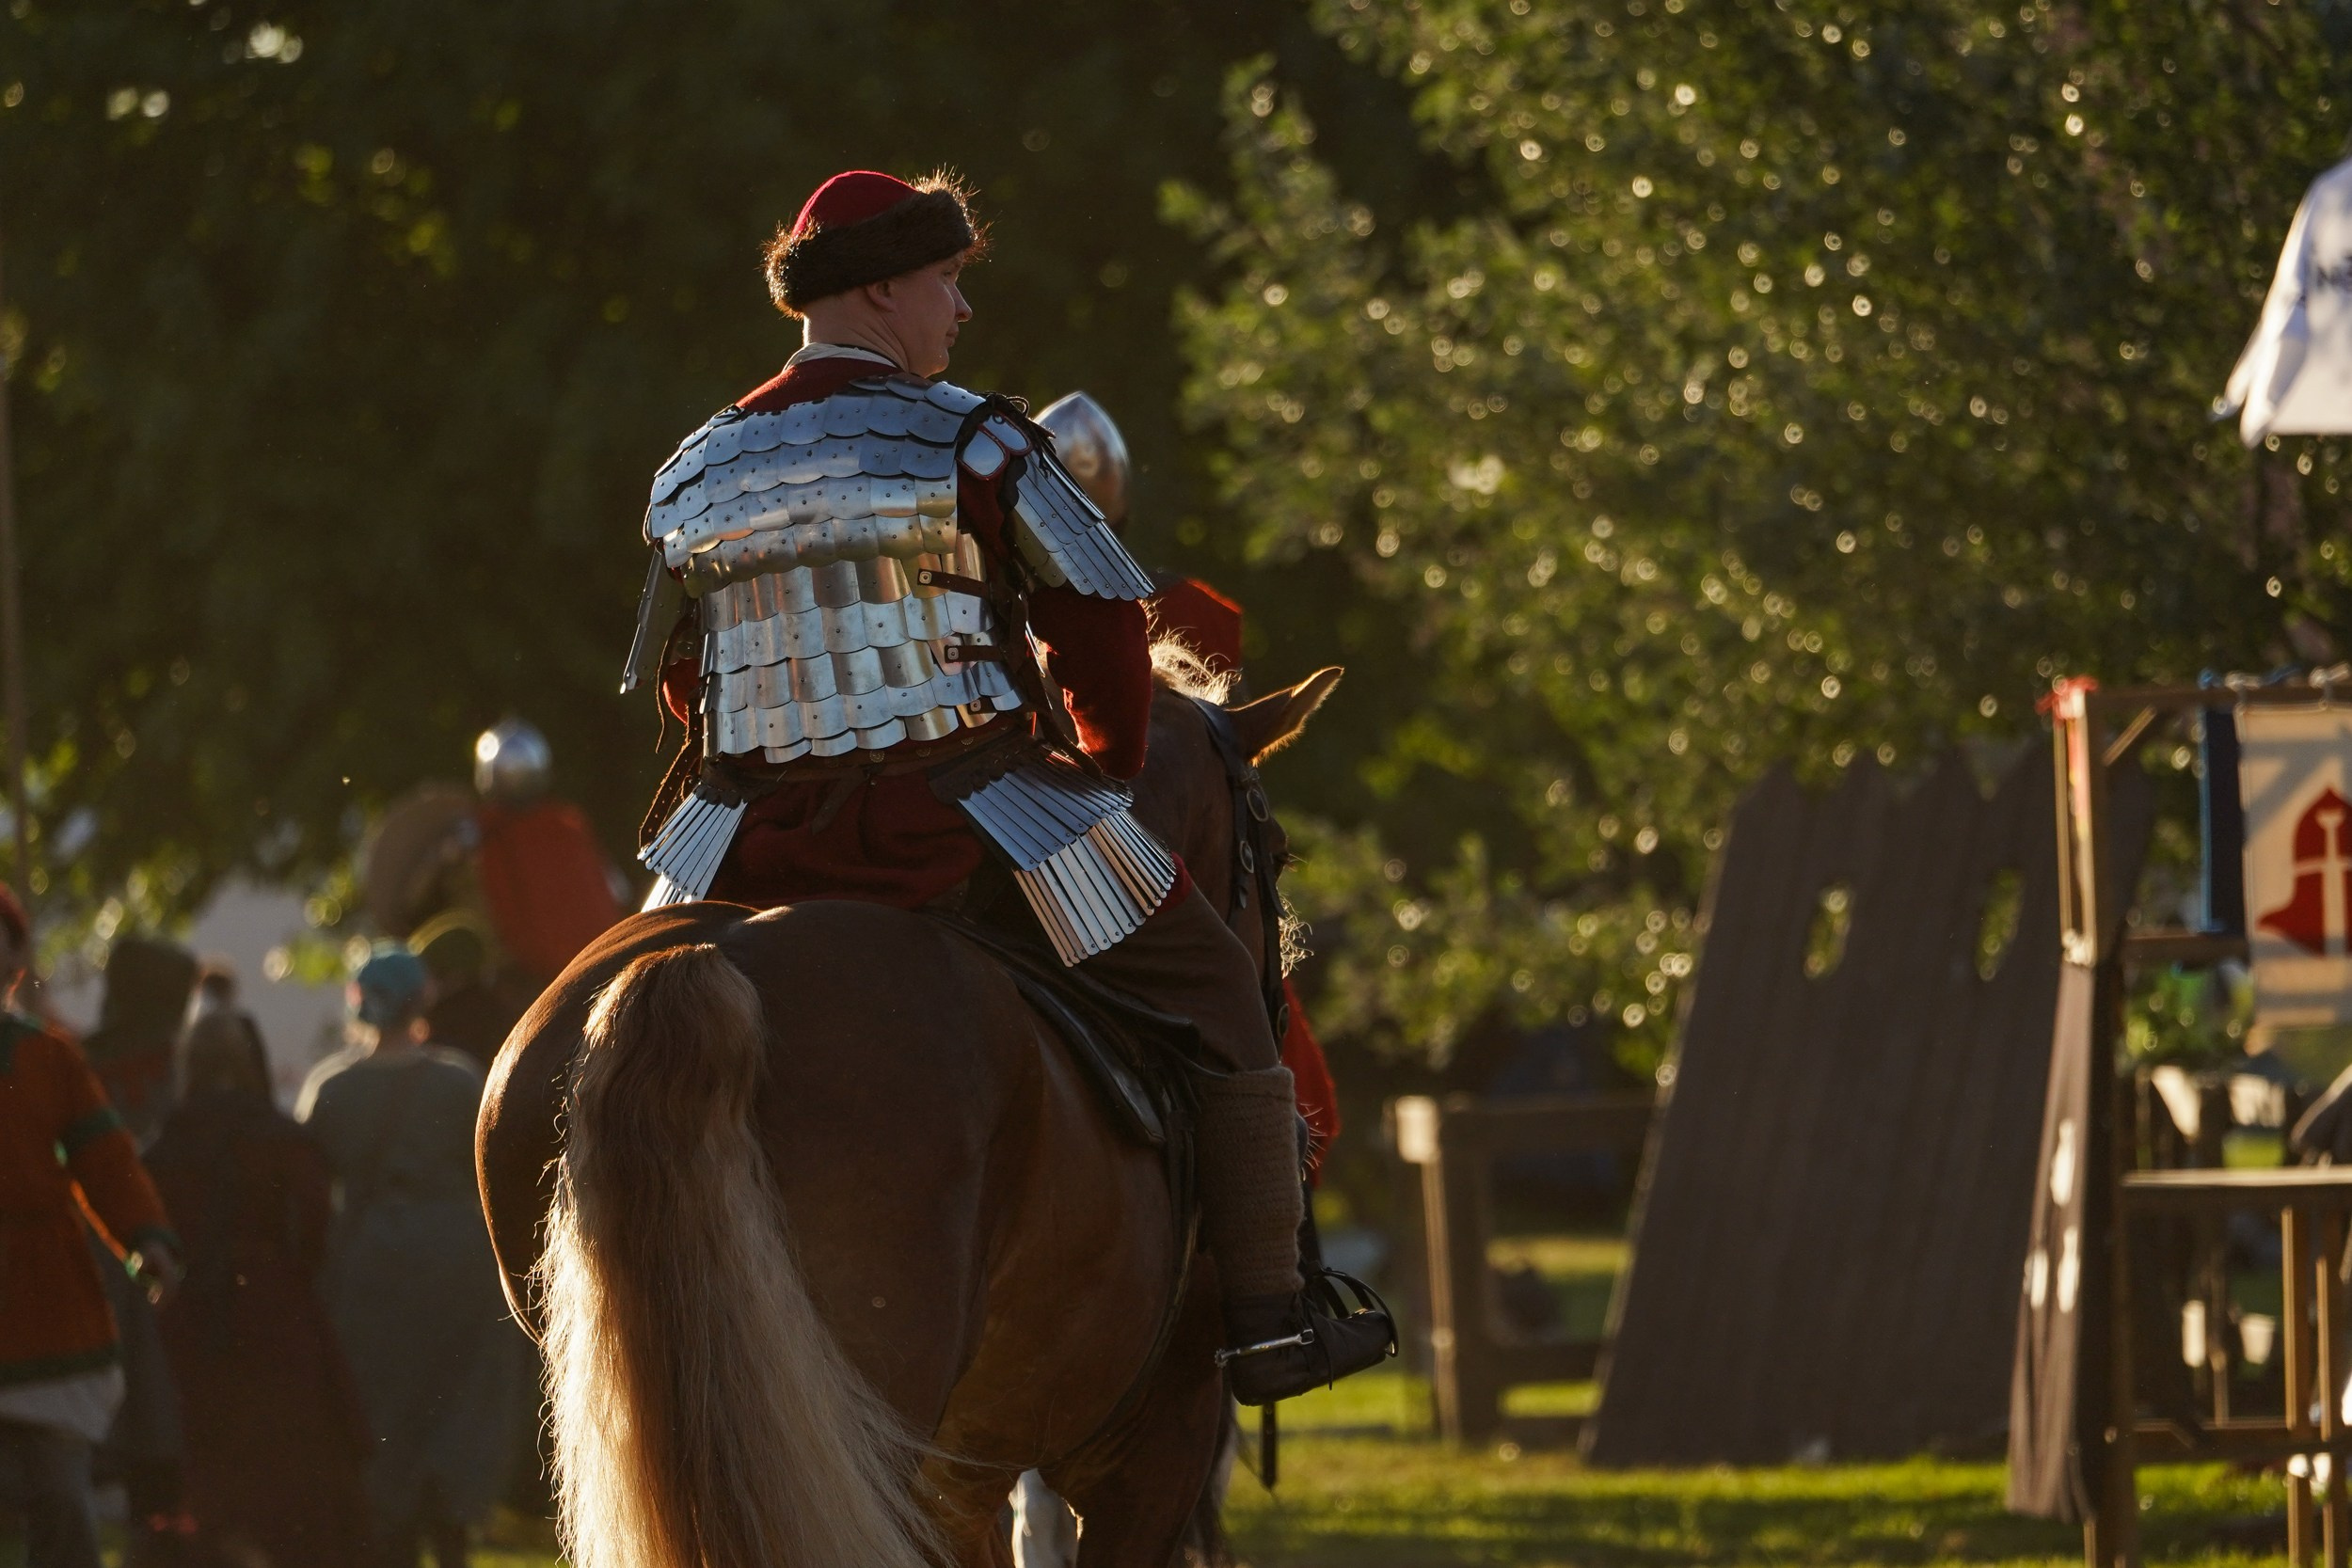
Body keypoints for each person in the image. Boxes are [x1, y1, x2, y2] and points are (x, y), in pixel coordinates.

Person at [622, 167, 1391, 1402]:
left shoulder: (695, 466)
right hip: (973, 809)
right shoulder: (974, 435)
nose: (961, 312)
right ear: (881, 286)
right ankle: (1270, 1314)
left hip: (737, 840)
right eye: (948, 279)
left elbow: (684, 679)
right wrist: (1103, 774)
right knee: (1219, 989)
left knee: (603, 1038)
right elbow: (1105, 636)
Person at [1036, 389, 1347, 1179]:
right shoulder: (1180, 610)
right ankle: (1274, 1291)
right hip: (1106, 860)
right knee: (1245, 1016)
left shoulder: (981, 604)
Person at [298, 948, 518, 1568]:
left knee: (383, 1411)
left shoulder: (331, 1088)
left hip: (367, 1271)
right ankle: (451, 1533)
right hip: (458, 1264)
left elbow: (309, 1186)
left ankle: (390, 1538)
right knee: (455, 1407)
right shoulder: (458, 1081)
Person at [147, 1011, 371, 1568]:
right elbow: (316, 1224)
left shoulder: (167, 1146)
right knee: (286, 1457)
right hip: (275, 1312)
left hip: (190, 1316)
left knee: (209, 1453)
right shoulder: (281, 1140)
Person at [0, 885, 181, 1568]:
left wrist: (147, 1235)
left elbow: (104, 1160)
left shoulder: (51, 1059)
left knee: (59, 1490)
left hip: (45, 1294)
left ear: (15, 955)